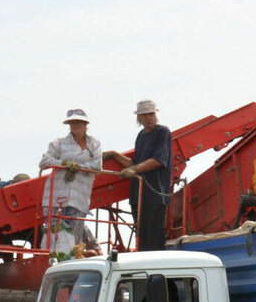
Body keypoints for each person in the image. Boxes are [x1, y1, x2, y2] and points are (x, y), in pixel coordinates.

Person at [40, 109, 102, 262]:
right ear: (68, 125)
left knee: (73, 239)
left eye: (79, 122)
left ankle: (70, 268)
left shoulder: (94, 144)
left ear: (85, 125)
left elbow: (97, 166)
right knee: (55, 238)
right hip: (55, 198)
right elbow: (44, 161)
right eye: (73, 122)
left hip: (78, 199)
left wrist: (78, 167)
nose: (76, 125)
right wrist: (65, 164)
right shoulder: (58, 143)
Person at [111, 99, 172, 251]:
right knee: (142, 238)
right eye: (144, 115)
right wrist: (114, 155)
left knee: (154, 239)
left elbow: (158, 160)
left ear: (155, 114)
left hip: (155, 196)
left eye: (150, 114)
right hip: (138, 196)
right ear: (138, 118)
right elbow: (135, 164)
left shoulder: (162, 132)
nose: (148, 118)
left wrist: (134, 170)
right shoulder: (141, 136)